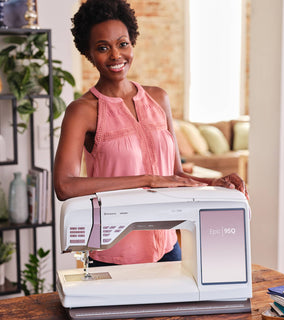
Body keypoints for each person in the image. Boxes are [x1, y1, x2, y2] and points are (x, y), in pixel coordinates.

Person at [53, 0, 249, 267]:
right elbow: (64, 186)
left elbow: (176, 175)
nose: (115, 55)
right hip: (113, 254)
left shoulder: (158, 98)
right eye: (102, 48)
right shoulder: (82, 111)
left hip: (168, 248)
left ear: (132, 43)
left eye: (122, 44)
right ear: (88, 53)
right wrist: (148, 180)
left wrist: (212, 184)